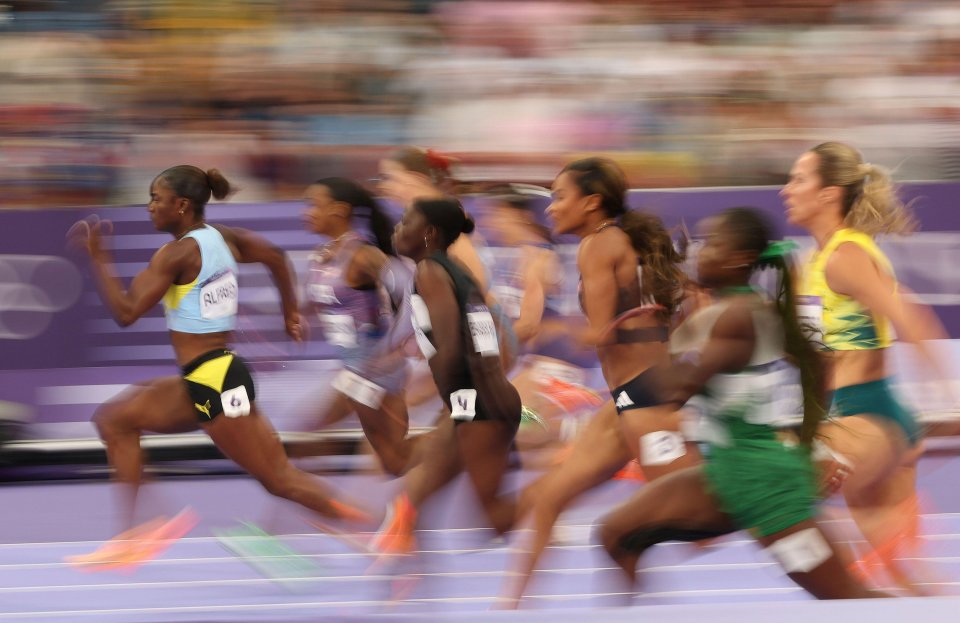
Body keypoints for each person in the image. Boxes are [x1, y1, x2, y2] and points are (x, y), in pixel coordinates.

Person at [65, 165, 367, 569]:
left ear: (182, 205)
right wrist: (289, 314)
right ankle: (136, 532)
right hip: (209, 376)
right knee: (114, 419)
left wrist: (99, 259)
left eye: (157, 199)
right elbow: (275, 257)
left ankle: (372, 530)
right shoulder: (221, 238)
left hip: (217, 382)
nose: (150, 206)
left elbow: (126, 312)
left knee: (279, 480)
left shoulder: (177, 253)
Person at [598, 206, 884, 600]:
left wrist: (627, 375)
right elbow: (817, 363)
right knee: (616, 534)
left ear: (739, 259)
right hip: (727, 475)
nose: (701, 251)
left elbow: (678, 389)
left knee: (849, 598)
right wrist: (809, 442)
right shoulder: (748, 308)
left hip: (764, 489)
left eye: (713, 243)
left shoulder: (736, 315)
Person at [502, 157, 701, 605]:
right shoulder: (614, 240)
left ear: (592, 202)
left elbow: (597, 331)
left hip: (648, 399)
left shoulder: (598, 244)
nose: (550, 208)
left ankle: (782, 487)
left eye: (558, 197)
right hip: (627, 400)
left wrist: (535, 329)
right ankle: (510, 607)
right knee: (550, 497)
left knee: (698, 522)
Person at [786, 141, 945, 590]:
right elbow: (816, 354)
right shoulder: (811, 263)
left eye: (799, 179)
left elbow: (909, 317)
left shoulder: (846, 255)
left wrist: (947, 387)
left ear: (828, 194)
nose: (786, 190)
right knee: (900, 575)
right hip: (845, 413)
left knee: (779, 488)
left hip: (870, 417)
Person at [370, 197, 523, 554]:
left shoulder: (430, 271)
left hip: (477, 405)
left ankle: (553, 504)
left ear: (429, 233)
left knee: (494, 516)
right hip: (477, 401)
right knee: (413, 501)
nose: (397, 228)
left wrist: (437, 393)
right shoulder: (455, 269)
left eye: (405, 221)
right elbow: (482, 334)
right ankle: (405, 578)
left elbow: (451, 343)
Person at [301, 177, 414, 476]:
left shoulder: (363, 255)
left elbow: (411, 294)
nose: (306, 212)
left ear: (338, 210)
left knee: (309, 434)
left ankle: (335, 516)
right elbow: (324, 302)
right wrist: (297, 319)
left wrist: (397, 349)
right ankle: (454, 447)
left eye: (314, 205)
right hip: (355, 364)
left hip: (374, 367)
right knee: (395, 460)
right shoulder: (322, 256)